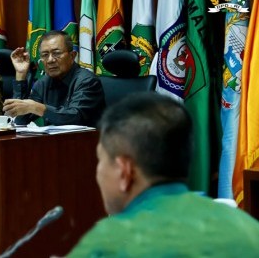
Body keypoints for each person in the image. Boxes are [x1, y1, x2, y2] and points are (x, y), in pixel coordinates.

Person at [67, 92, 259, 257]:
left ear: (125, 171)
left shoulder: (105, 245)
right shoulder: (250, 230)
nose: (98, 173)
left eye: (101, 161)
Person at [3, 30, 105, 127]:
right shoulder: (43, 83)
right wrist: (21, 74)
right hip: (53, 143)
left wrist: (37, 107)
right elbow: (19, 120)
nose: (50, 60)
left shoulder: (87, 81)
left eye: (56, 53)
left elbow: (76, 117)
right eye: (45, 55)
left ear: (72, 56)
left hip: (84, 142)